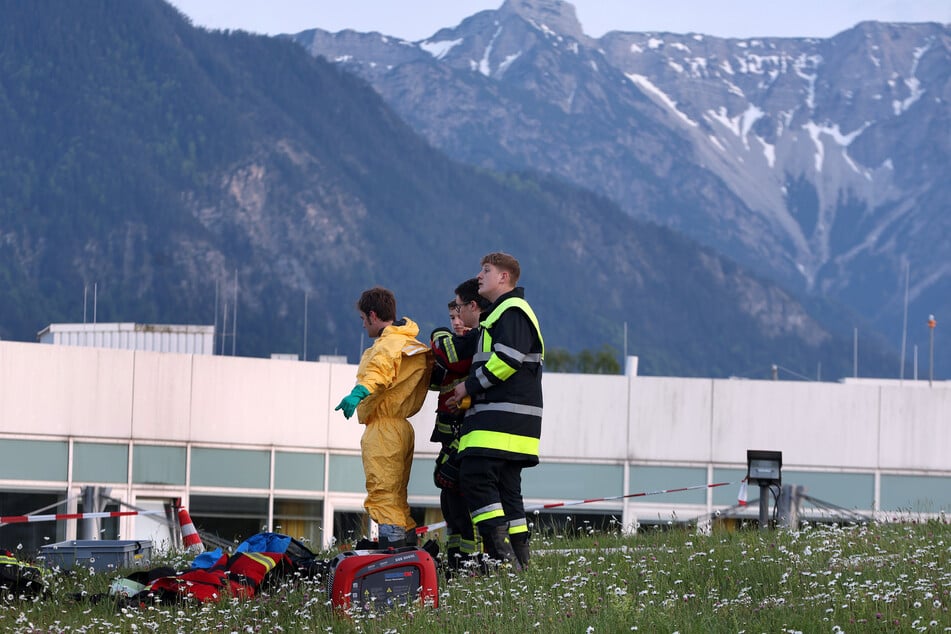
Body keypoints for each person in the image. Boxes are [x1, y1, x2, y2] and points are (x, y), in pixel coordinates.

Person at [447, 253, 544, 570]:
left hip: (499, 423)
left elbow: (507, 360)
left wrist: (468, 388)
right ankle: (520, 564)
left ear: (504, 277)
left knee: (475, 477)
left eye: (486, 270)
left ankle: (501, 559)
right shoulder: (499, 316)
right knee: (507, 491)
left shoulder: (511, 311)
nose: (479, 276)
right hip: (512, 427)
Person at [334, 287, 433, 548]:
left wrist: (357, 394)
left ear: (373, 315)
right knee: (397, 494)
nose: (363, 325)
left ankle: (393, 551)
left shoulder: (388, 345)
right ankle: (406, 546)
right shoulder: (408, 342)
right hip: (401, 427)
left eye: (363, 319)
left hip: (384, 427)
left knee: (383, 492)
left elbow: (379, 372)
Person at [429, 278, 490, 575]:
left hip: (466, 434)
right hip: (448, 433)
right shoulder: (453, 343)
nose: (456, 323)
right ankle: (455, 558)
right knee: (449, 499)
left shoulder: (473, 342)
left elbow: (449, 357)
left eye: (459, 316)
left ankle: (471, 560)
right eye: (451, 318)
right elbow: (433, 378)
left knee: (465, 497)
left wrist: (438, 339)